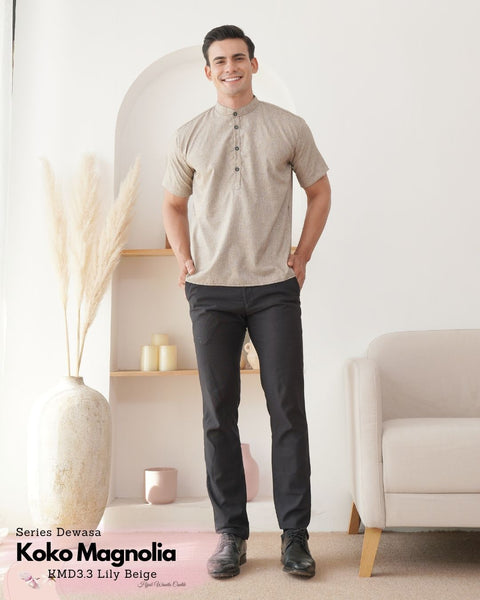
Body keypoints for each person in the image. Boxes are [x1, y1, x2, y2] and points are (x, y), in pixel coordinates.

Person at [162, 24, 331, 579]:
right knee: (218, 415)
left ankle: (294, 536)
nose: (230, 67)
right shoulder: (189, 134)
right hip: (210, 291)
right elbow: (173, 203)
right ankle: (230, 535)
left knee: (287, 410)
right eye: (220, 60)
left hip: (273, 288)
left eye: (239, 58)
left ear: (253, 65)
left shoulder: (288, 126)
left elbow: (319, 190)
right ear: (207, 71)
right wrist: (184, 259)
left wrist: (302, 255)